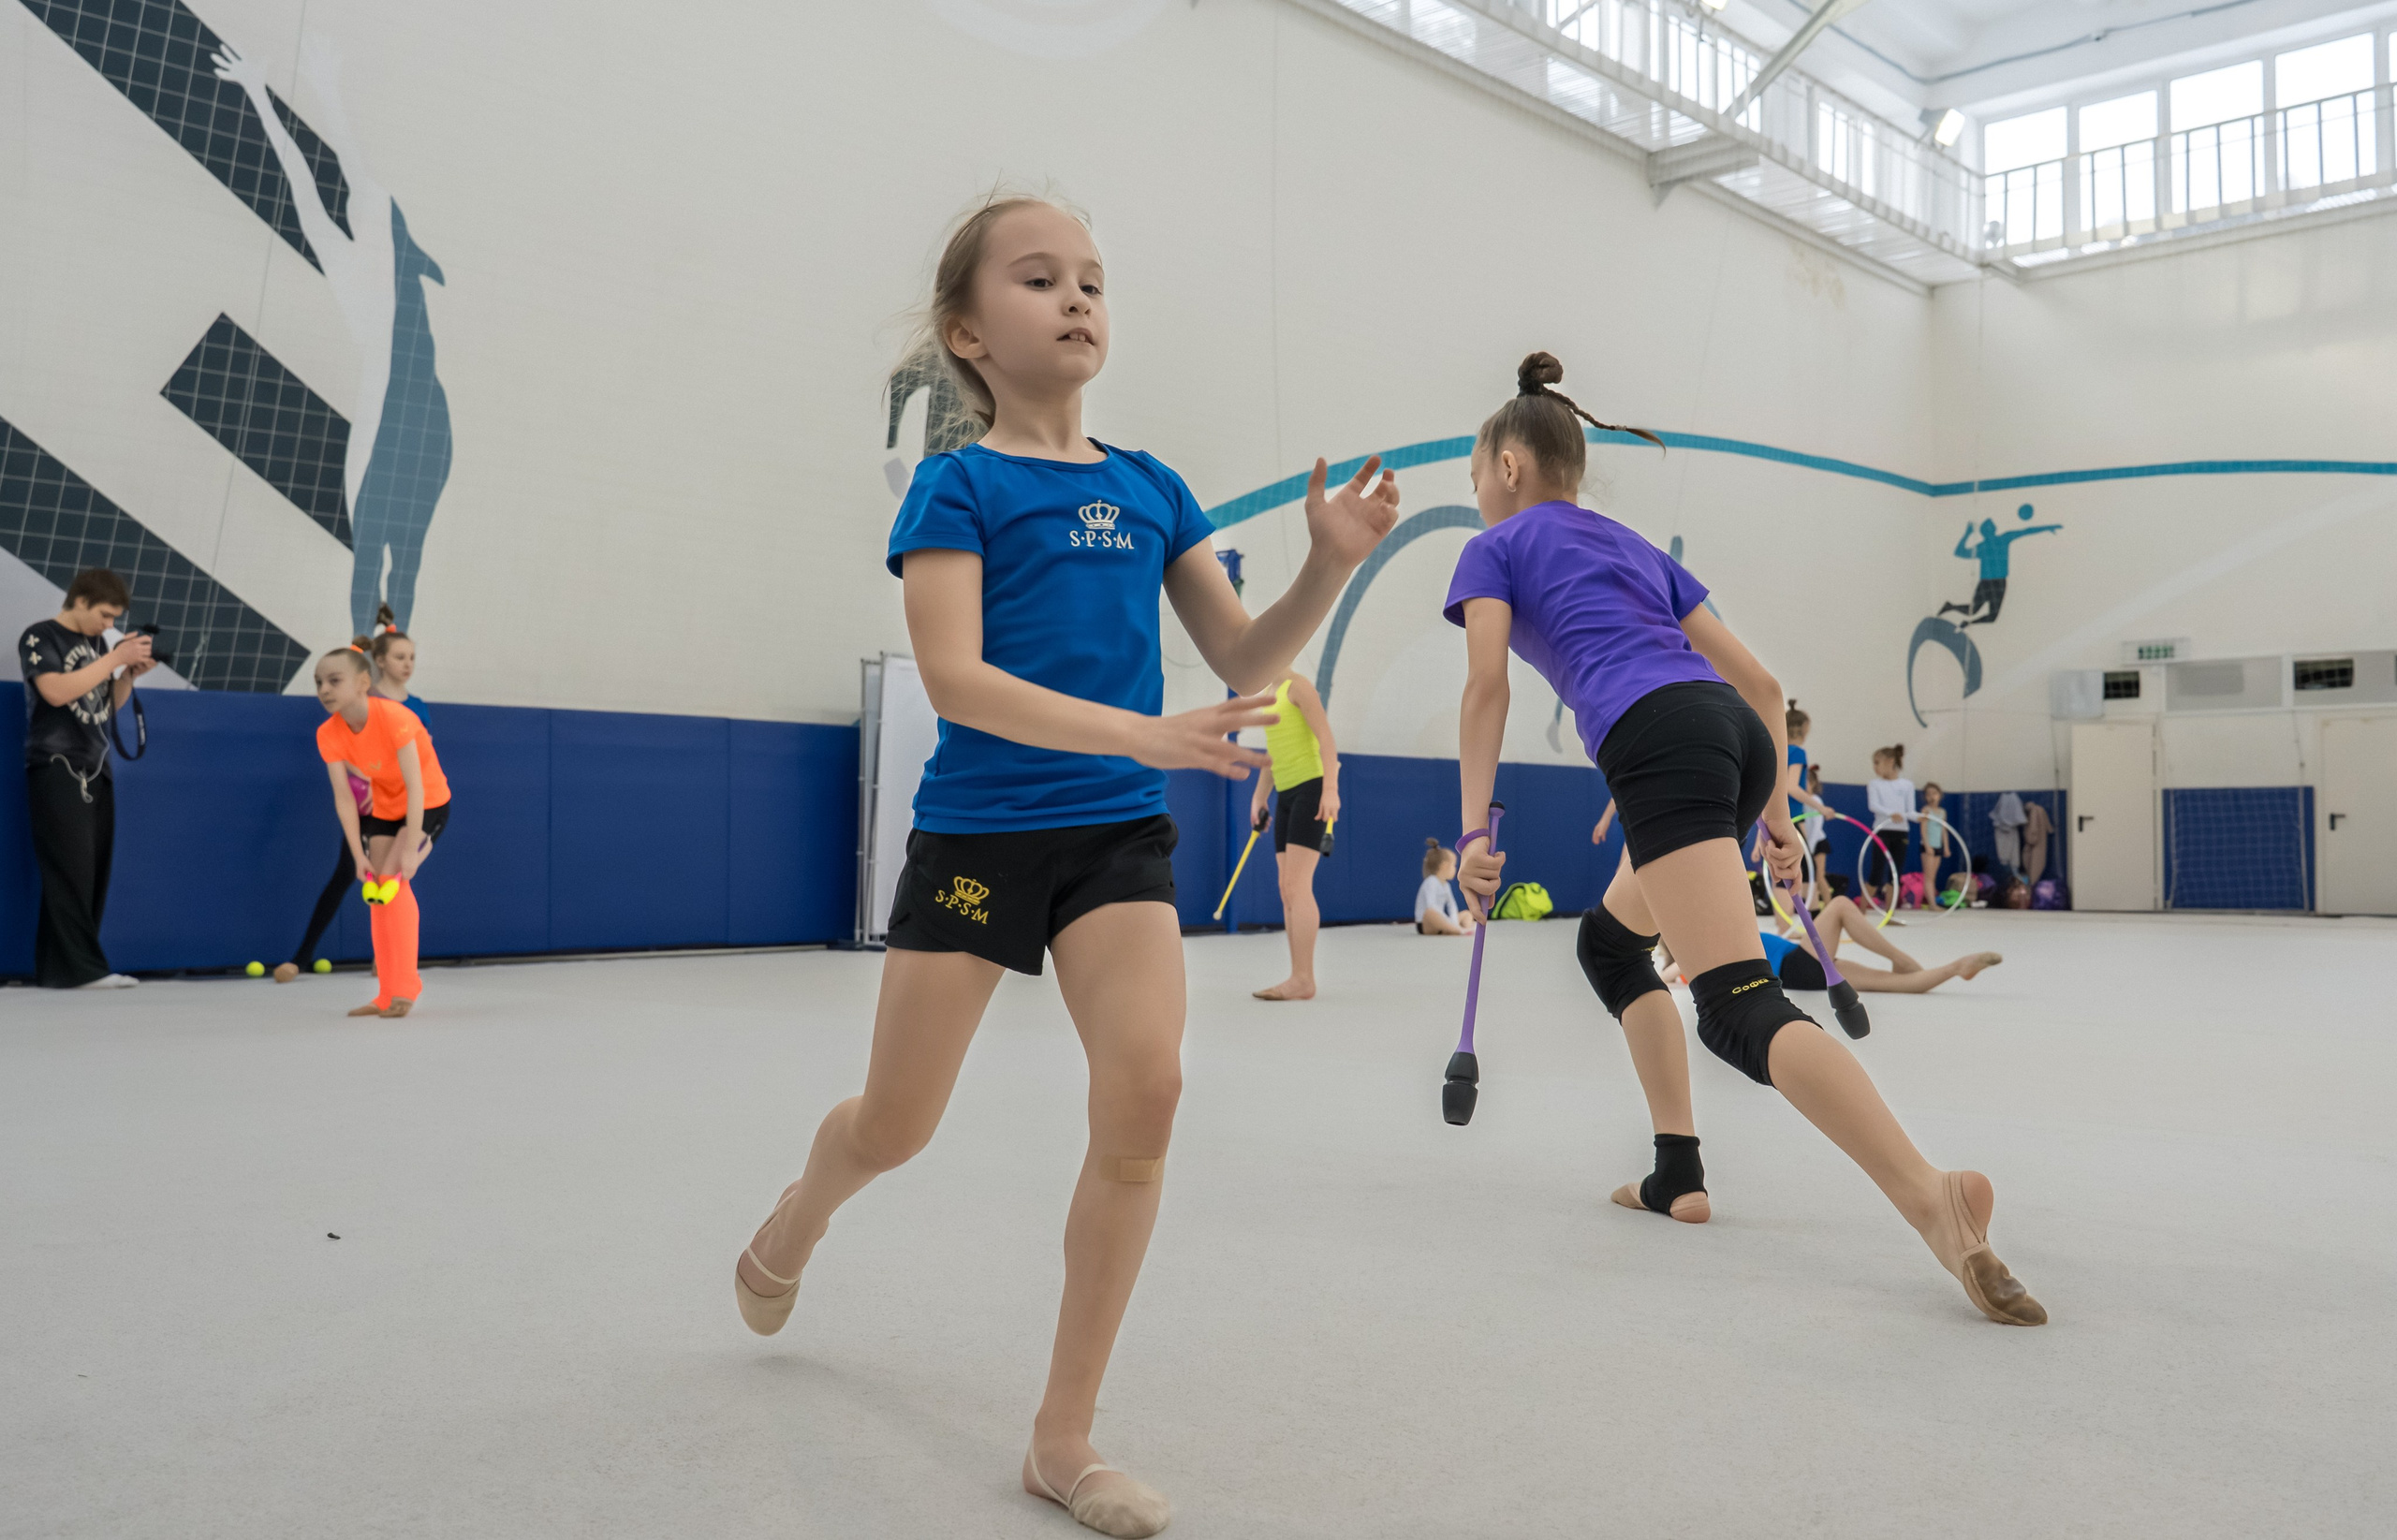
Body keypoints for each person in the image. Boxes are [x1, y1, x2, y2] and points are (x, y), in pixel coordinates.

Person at [728, 195, 1399, 1539]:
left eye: (1093, 279)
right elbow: (959, 681)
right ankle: (799, 1214)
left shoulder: (1151, 488)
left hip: (1114, 840)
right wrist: (1145, 731)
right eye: (1041, 280)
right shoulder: (959, 486)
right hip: (981, 838)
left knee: (1148, 1090)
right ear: (970, 332)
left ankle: (1062, 1434)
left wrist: (1324, 572)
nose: (1079, 299)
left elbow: (1244, 665)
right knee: (897, 1124)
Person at [1448, 350, 2042, 1327]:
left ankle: (1929, 1193)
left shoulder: (1495, 549)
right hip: (1728, 736)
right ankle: (1675, 1166)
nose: (1475, 496)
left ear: (1508, 467)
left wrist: (1472, 831)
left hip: (1658, 745)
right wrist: (1775, 823)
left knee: (1733, 1004)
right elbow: (1765, 688)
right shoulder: (1631, 543)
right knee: (1609, 942)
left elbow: (1485, 687)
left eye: (1474, 478)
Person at [18, 568, 154, 989]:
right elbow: (56, 692)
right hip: (56, 764)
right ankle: (85, 970)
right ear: (80, 601)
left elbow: (104, 706)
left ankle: (59, 969)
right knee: (69, 868)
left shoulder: (96, 645)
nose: (109, 626)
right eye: (105, 616)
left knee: (92, 869)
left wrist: (127, 677)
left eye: (115, 619)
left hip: (96, 766)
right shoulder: (40, 636)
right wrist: (115, 659)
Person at [278, 607, 426, 983]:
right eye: (399, 657)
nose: (407, 664)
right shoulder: (355, 704)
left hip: (399, 805)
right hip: (365, 802)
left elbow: (416, 765)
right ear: (376, 665)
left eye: (412, 658)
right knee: (350, 871)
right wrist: (366, 785)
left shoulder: (414, 709)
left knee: (394, 881)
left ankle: (390, 960)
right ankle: (302, 955)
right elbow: (352, 754)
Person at [313, 645, 451, 1019]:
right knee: (375, 888)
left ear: (362, 683)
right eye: (319, 682)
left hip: (427, 802)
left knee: (393, 880)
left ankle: (406, 987)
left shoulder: (395, 717)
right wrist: (358, 856)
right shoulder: (328, 733)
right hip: (386, 808)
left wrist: (411, 848)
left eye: (334, 680)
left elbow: (417, 784)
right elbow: (344, 799)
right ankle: (385, 994)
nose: (324, 689)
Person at [1659, 902, 2001, 995]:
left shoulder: (1711, 941)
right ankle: (1904, 960)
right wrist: (1671, 970)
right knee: (1838, 906)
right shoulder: (1697, 954)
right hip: (1797, 966)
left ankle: (1957, 967)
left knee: (1887, 984)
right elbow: (1671, 973)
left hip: (1802, 970)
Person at [1247, 670, 1339, 1000]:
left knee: (1298, 885)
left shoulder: (1298, 687)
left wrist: (1331, 789)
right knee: (1286, 887)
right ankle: (1298, 975)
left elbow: (1326, 739)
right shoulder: (1270, 695)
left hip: (1311, 789)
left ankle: (1303, 979)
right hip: (1285, 794)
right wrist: (1260, 798)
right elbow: (1274, 755)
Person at [1864, 745, 1916, 911]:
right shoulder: (1874, 784)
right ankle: (1861, 910)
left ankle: (1890, 913)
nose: (1874, 767)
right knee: (1876, 872)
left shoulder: (1907, 785)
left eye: (1877, 763)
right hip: (1881, 830)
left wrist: (1920, 817)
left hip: (1901, 832)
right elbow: (1873, 806)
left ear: (1890, 761)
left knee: (1895, 874)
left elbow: (1910, 812)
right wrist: (1891, 813)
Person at [1415, 840, 1474, 935]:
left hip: (1443, 920)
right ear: (1444, 866)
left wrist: (1453, 921)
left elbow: (1452, 904)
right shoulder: (1431, 882)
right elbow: (1431, 906)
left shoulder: (1446, 885)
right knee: (1430, 912)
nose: (1455, 869)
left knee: (1467, 914)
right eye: (1454, 866)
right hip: (1426, 923)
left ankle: (1458, 928)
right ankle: (1456, 930)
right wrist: (1447, 921)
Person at [1919, 781, 1948, 907]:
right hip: (1928, 846)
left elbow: (1944, 830)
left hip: (1938, 847)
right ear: (1925, 797)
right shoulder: (1926, 810)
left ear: (1940, 795)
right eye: (1928, 794)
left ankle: (1932, 901)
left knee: (1933, 877)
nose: (1932, 797)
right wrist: (1927, 846)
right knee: (1928, 877)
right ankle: (1932, 904)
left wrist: (1946, 847)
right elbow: (1923, 829)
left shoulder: (1942, 812)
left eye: (1934, 793)